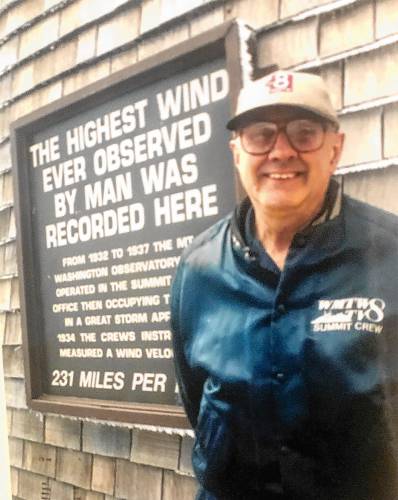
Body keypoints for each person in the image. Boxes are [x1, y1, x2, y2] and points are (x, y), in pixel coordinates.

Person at [170, 70, 398, 500]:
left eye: (304, 133)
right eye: (260, 135)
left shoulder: (390, 253)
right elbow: (194, 397)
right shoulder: (197, 270)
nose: (281, 151)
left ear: (335, 149)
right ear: (237, 152)